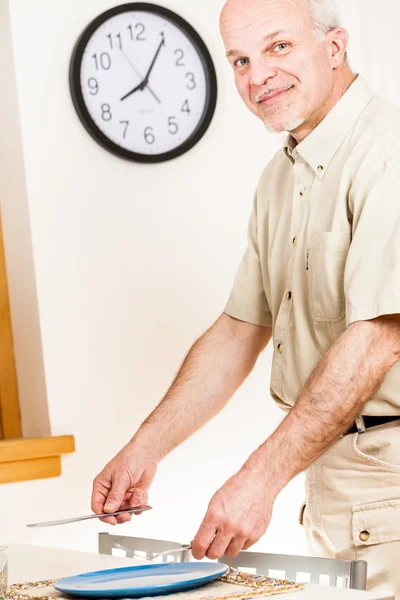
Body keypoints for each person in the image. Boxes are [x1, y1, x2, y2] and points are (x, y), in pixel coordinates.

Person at [92, 0, 400, 594]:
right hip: (332, 487)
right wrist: (143, 451)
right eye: (239, 59)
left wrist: (258, 480)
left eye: (278, 47)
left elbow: (379, 340)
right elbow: (239, 328)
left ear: (333, 48)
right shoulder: (280, 177)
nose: (257, 76)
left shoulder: (389, 156)